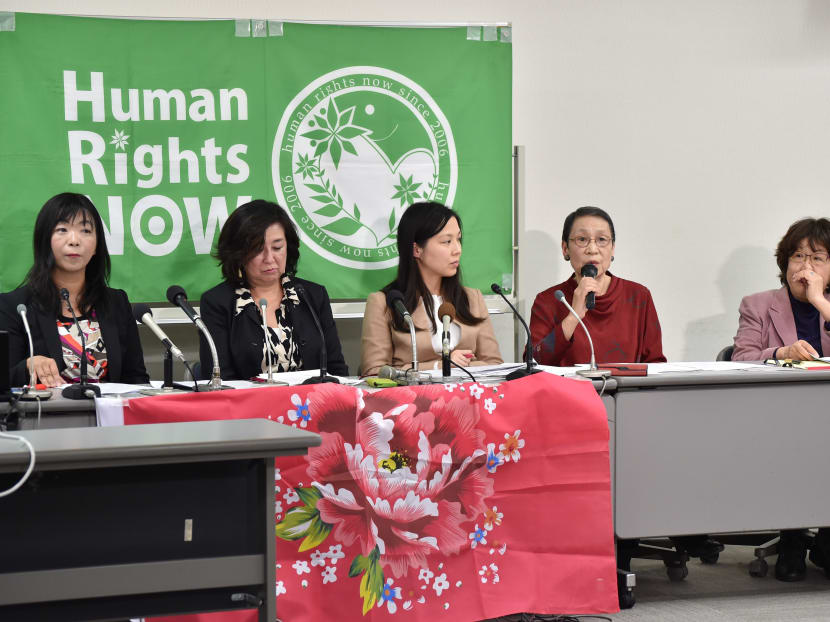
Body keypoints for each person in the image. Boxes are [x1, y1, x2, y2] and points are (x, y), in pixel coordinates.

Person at [731, 217, 830, 581]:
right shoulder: (758, 305)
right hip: (776, 414)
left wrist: (820, 300)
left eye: (817, 258)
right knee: (799, 446)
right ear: (783, 263)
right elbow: (740, 358)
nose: (805, 267)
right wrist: (781, 351)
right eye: (797, 257)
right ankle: (792, 538)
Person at [0, 193, 149, 387]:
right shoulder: (16, 307)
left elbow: (136, 380)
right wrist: (27, 367)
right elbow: (3, 384)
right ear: (45, 240)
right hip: (44, 415)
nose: (74, 240)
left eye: (85, 231)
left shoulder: (116, 302)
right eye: (62, 229)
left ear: (96, 245)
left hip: (108, 415)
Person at [199, 199, 348, 380]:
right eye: (257, 250)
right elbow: (219, 379)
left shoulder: (312, 296)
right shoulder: (218, 302)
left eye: (277, 247)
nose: (269, 258)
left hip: (312, 404)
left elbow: (337, 370)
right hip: (250, 405)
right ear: (238, 253)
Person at [360, 201, 502, 376]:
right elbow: (374, 372)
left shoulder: (472, 298)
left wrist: (460, 367)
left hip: (468, 399)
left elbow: (494, 364)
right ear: (416, 249)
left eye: (458, 239)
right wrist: (439, 366)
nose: (457, 249)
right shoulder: (385, 302)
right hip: (412, 400)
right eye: (447, 241)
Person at [529, 206, 666, 366]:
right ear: (565, 248)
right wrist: (573, 316)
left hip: (625, 391)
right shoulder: (548, 300)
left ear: (612, 248)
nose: (592, 249)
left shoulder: (638, 296)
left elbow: (655, 363)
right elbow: (533, 363)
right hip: (569, 391)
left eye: (601, 240)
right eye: (582, 239)